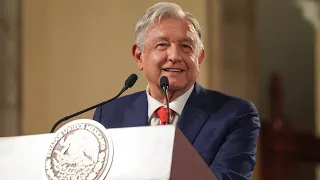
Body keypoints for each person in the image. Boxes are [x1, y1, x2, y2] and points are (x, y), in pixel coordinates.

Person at [93, 2, 260, 180]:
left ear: (199, 58)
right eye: (162, 45)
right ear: (139, 56)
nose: (174, 56)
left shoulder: (236, 114)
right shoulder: (109, 115)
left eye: (186, 46)